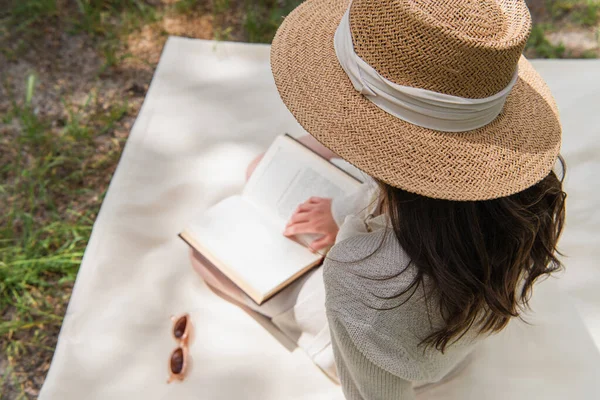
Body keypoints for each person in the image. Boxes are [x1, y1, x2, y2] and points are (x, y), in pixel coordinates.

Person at [191, 0, 567, 398]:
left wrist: (344, 236)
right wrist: (340, 214)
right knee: (261, 168)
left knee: (204, 259)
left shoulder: (357, 273)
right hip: (438, 314)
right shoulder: (526, 196)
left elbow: (373, 392)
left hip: (391, 344)